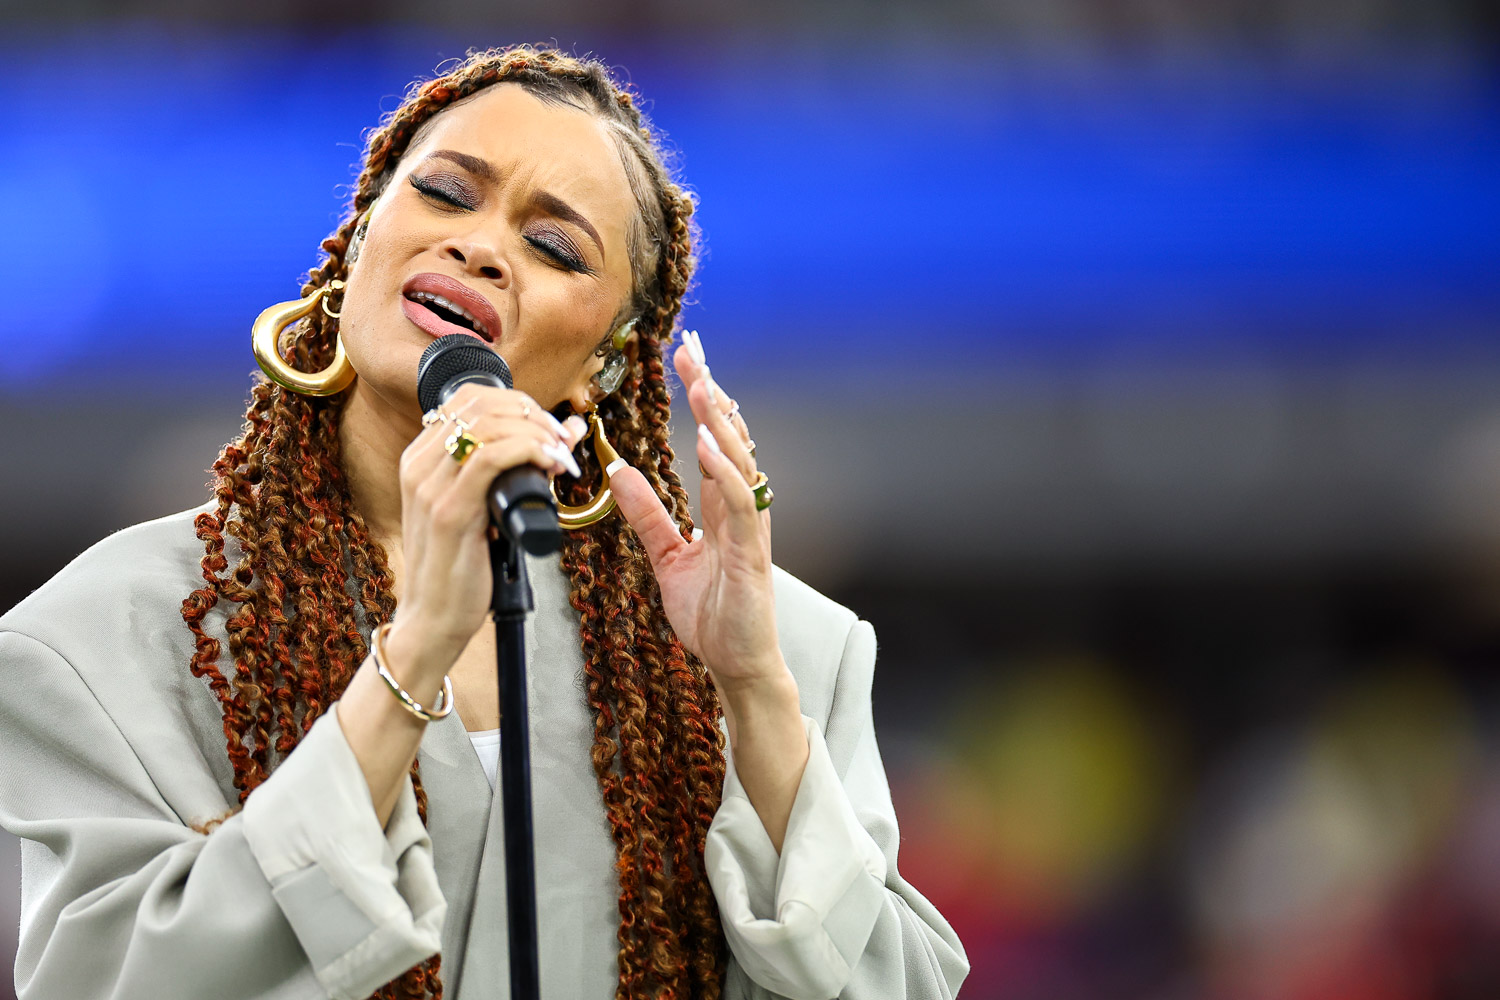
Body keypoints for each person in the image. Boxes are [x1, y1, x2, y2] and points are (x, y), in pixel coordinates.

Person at [0, 45, 968, 1000]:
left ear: (604, 363)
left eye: (556, 248)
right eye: (445, 193)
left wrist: (753, 691)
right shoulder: (104, 633)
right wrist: (416, 647)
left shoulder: (782, 648)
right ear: (359, 239)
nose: (480, 247)